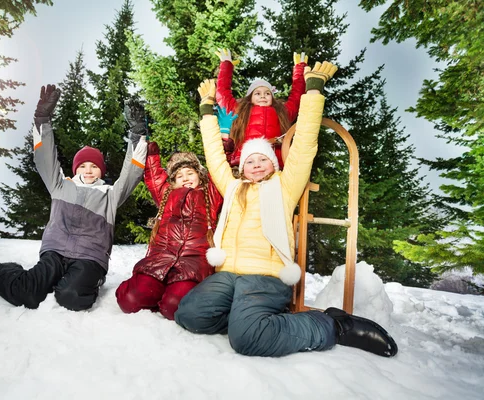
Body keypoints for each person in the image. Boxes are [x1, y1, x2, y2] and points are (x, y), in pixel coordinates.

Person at [174, 64, 399, 358]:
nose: (255, 164)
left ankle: (333, 325)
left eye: (262, 160)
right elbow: (214, 154)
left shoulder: (284, 186)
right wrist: (206, 110)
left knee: (247, 340)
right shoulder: (232, 186)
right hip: (228, 276)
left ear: (274, 164)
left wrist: (314, 89)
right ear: (242, 167)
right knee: (188, 315)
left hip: (265, 276)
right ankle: (247, 317)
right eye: (250, 161)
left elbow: (305, 142)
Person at [0, 85, 148, 311]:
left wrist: (137, 133)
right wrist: (42, 118)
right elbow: (44, 156)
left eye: (94, 167)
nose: (88, 171)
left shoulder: (111, 194)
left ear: (101, 171)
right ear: (76, 169)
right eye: (83, 166)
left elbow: (134, 170)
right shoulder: (61, 185)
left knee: (71, 296)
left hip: (89, 257)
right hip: (55, 251)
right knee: (28, 294)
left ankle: (87, 282)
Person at [116, 141, 223, 320]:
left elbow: (218, 171)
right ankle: (151, 289)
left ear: (200, 175)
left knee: (173, 306)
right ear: (173, 181)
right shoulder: (166, 194)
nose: (186, 178)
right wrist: (151, 156)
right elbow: (154, 177)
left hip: (193, 263)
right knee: (130, 300)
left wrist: (223, 149)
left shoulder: (209, 195)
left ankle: (170, 294)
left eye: (190, 173)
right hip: (161, 258)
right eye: (179, 176)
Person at [215, 49, 307, 169]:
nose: (263, 96)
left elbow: (297, 97)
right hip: (244, 160)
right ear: (250, 97)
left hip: (275, 162)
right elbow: (223, 94)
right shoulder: (240, 110)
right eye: (257, 93)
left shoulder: (282, 112)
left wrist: (300, 70)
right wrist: (226, 65)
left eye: (267, 93)